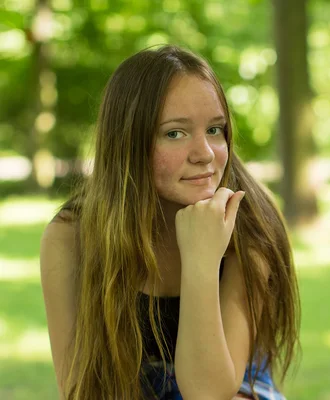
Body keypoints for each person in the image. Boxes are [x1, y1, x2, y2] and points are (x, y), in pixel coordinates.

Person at [40, 45, 301, 400]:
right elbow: (79, 388)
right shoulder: (72, 236)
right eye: (175, 133)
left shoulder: (249, 223)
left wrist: (201, 260)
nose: (205, 154)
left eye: (215, 129)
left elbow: (210, 394)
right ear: (129, 143)